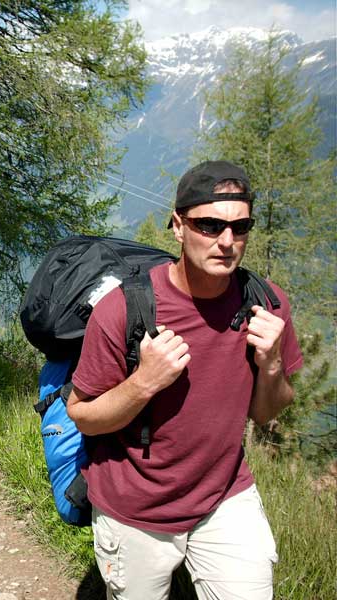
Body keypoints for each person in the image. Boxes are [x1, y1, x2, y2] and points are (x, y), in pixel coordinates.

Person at [66, 160, 303, 599]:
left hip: (224, 495)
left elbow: (266, 411)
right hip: (136, 507)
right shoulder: (125, 309)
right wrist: (144, 382)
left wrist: (271, 364)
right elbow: (82, 416)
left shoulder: (266, 305)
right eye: (209, 225)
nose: (226, 241)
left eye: (240, 227)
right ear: (178, 226)